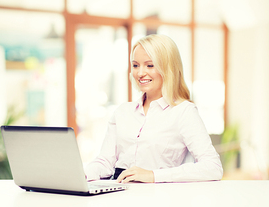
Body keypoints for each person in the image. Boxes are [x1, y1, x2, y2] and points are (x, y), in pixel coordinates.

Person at [85, 34, 223, 183]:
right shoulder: (122, 112)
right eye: (136, 65)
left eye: (149, 65)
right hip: (118, 189)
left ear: (168, 68)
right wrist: (82, 174)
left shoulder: (184, 112)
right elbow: (105, 162)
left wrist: (153, 175)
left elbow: (212, 167)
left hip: (158, 195)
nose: (140, 73)